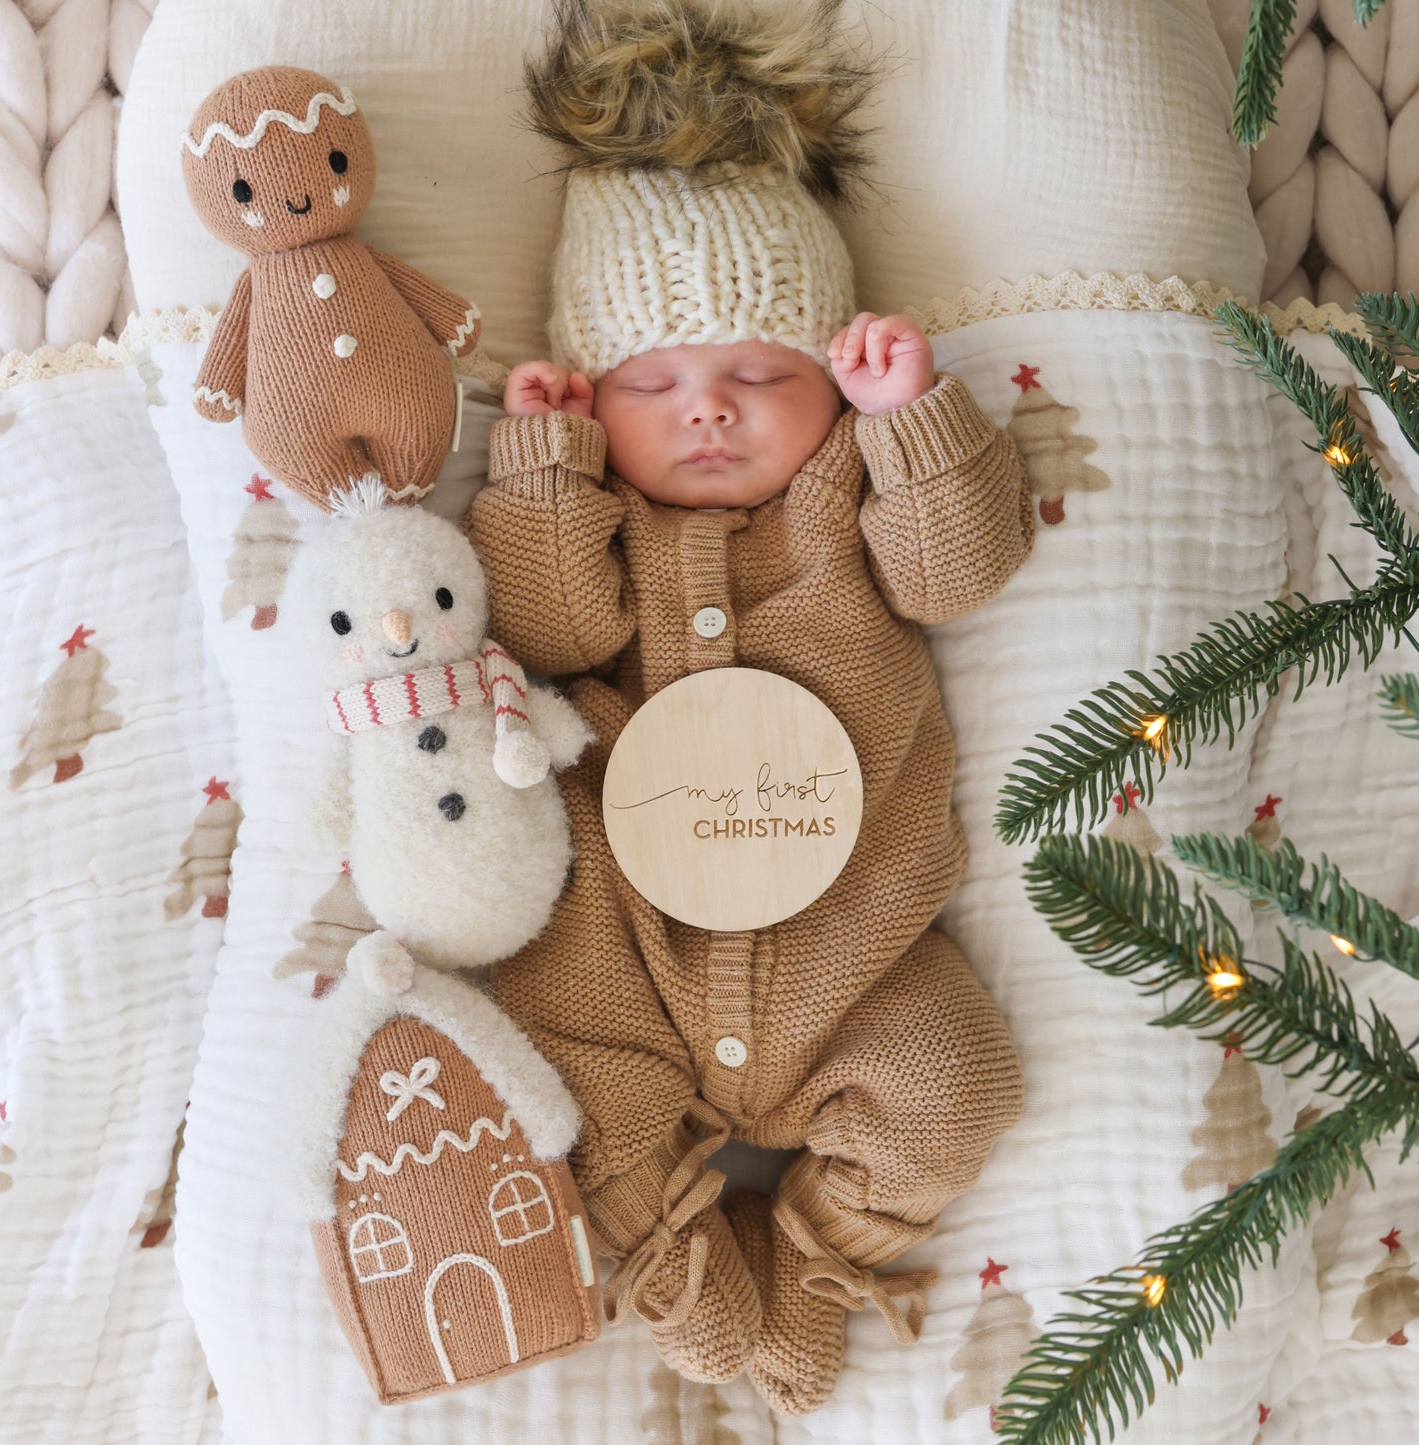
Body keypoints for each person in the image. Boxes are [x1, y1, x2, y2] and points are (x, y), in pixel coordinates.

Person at [467, 0, 1035, 1414]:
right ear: (601, 398)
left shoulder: (845, 500)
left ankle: (814, 1255)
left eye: (757, 377)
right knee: (555, 1083)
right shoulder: (600, 515)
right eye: (654, 383)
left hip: (855, 963)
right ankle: (686, 1277)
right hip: (629, 970)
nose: (706, 411)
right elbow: (542, 627)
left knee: (955, 1083)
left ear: (827, 382)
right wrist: (541, 472)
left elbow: (957, 568)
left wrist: (913, 424)